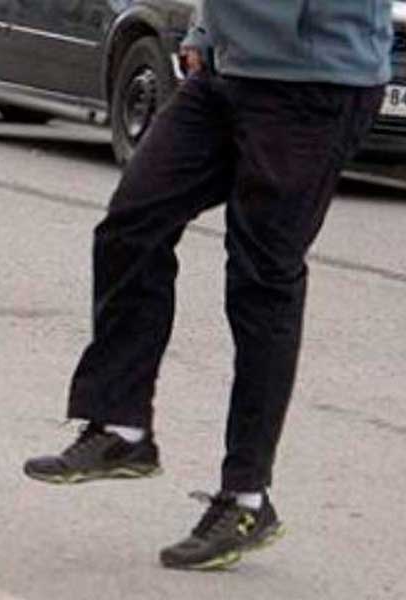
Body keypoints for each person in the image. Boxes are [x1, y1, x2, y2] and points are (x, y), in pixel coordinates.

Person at [23, 0, 393, 570]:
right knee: (133, 223)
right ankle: (122, 425)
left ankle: (246, 497)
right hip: (228, 71)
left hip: (316, 83)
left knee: (261, 279)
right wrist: (206, 29)